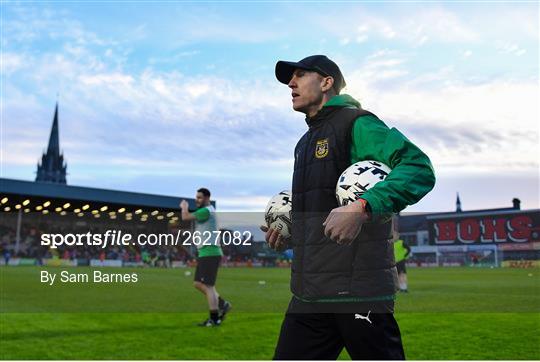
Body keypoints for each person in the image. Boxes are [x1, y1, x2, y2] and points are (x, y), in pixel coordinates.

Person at [264, 55, 436, 360]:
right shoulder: (305, 143)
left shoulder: (357, 123)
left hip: (359, 293)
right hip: (310, 294)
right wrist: (292, 234)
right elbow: (324, 213)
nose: (291, 83)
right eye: (291, 79)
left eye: (301, 75)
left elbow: (418, 168)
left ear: (327, 82)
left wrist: (364, 206)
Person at [180, 187, 231, 327]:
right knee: (198, 283)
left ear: (207, 198)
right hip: (206, 252)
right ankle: (222, 304)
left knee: (208, 286)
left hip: (210, 252)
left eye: (199, 197)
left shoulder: (205, 211)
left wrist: (184, 207)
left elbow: (185, 217)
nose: (197, 200)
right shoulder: (209, 211)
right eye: (196, 197)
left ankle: (214, 319)